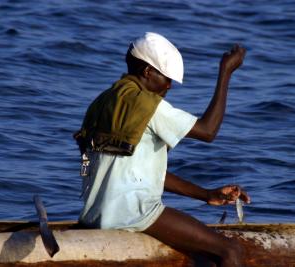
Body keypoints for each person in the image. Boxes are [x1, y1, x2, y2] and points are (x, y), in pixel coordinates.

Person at [74, 32, 249, 267]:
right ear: (147, 72)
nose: (169, 86)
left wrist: (207, 195)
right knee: (230, 251)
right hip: (132, 213)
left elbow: (119, 170)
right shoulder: (149, 106)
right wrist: (226, 72)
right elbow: (208, 131)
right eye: (167, 79)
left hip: (94, 215)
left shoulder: (102, 102)